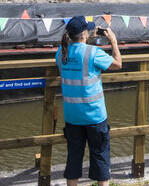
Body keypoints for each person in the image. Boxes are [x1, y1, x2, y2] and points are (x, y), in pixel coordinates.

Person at [56, 16, 122, 186]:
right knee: (100, 155)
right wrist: (113, 41)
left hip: (72, 116)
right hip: (94, 116)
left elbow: (75, 53)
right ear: (85, 34)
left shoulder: (60, 53)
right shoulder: (93, 52)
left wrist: (85, 37)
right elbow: (117, 65)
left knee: (74, 157)